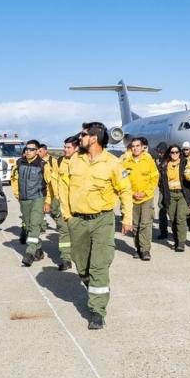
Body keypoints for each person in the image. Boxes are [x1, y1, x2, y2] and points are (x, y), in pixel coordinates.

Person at [59, 122, 133, 329]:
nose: (79, 138)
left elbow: (125, 190)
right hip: (77, 220)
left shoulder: (113, 163)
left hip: (102, 220)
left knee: (99, 265)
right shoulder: (75, 161)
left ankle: (97, 311)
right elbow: (63, 186)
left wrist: (127, 218)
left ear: (94, 138)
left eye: (83, 135)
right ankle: (95, 288)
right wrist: (67, 215)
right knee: (81, 265)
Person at [11, 140, 53, 267]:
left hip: (38, 198)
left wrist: (48, 201)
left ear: (37, 151)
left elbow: (51, 184)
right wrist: (17, 194)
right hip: (24, 199)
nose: (28, 151)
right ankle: (38, 250)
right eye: (26, 149)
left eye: (31, 149)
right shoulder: (19, 163)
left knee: (35, 224)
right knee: (29, 226)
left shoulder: (43, 165)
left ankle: (29, 253)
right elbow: (14, 179)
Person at [122, 137, 160, 260]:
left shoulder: (149, 161)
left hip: (146, 198)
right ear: (130, 148)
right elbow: (123, 181)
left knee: (145, 224)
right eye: (133, 146)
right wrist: (132, 193)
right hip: (132, 198)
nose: (135, 148)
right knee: (135, 225)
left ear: (142, 147)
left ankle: (145, 250)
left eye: (138, 146)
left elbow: (154, 179)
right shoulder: (125, 163)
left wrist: (145, 192)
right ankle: (137, 249)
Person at [157, 144, 190, 251]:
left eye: (177, 152)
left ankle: (181, 243)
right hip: (170, 194)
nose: (175, 154)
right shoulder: (164, 165)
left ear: (180, 153)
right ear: (169, 153)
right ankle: (177, 241)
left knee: (180, 218)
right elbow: (160, 181)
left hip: (182, 194)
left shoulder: (185, 163)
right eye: (172, 152)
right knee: (172, 219)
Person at [53, 135, 79, 270]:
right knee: (64, 232)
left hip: (79, 207)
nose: (65, 150)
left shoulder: (83, 162)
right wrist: (53, 199)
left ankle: (80, 259)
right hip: (63, 205)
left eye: (68, 147)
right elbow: (53, 181)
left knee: (79, 234)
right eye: (64, 147)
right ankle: (66, 259)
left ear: (77, 148)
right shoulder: (60, 162)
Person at [155, 142, 170, 240]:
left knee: (173, 212)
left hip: (170, 189)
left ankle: (177, 233)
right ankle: (163, 231)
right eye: (158, 152)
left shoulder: (170, 161)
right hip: (161, 189)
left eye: (161, 152)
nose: (159, 154)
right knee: (162, 209)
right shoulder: (157, 161)